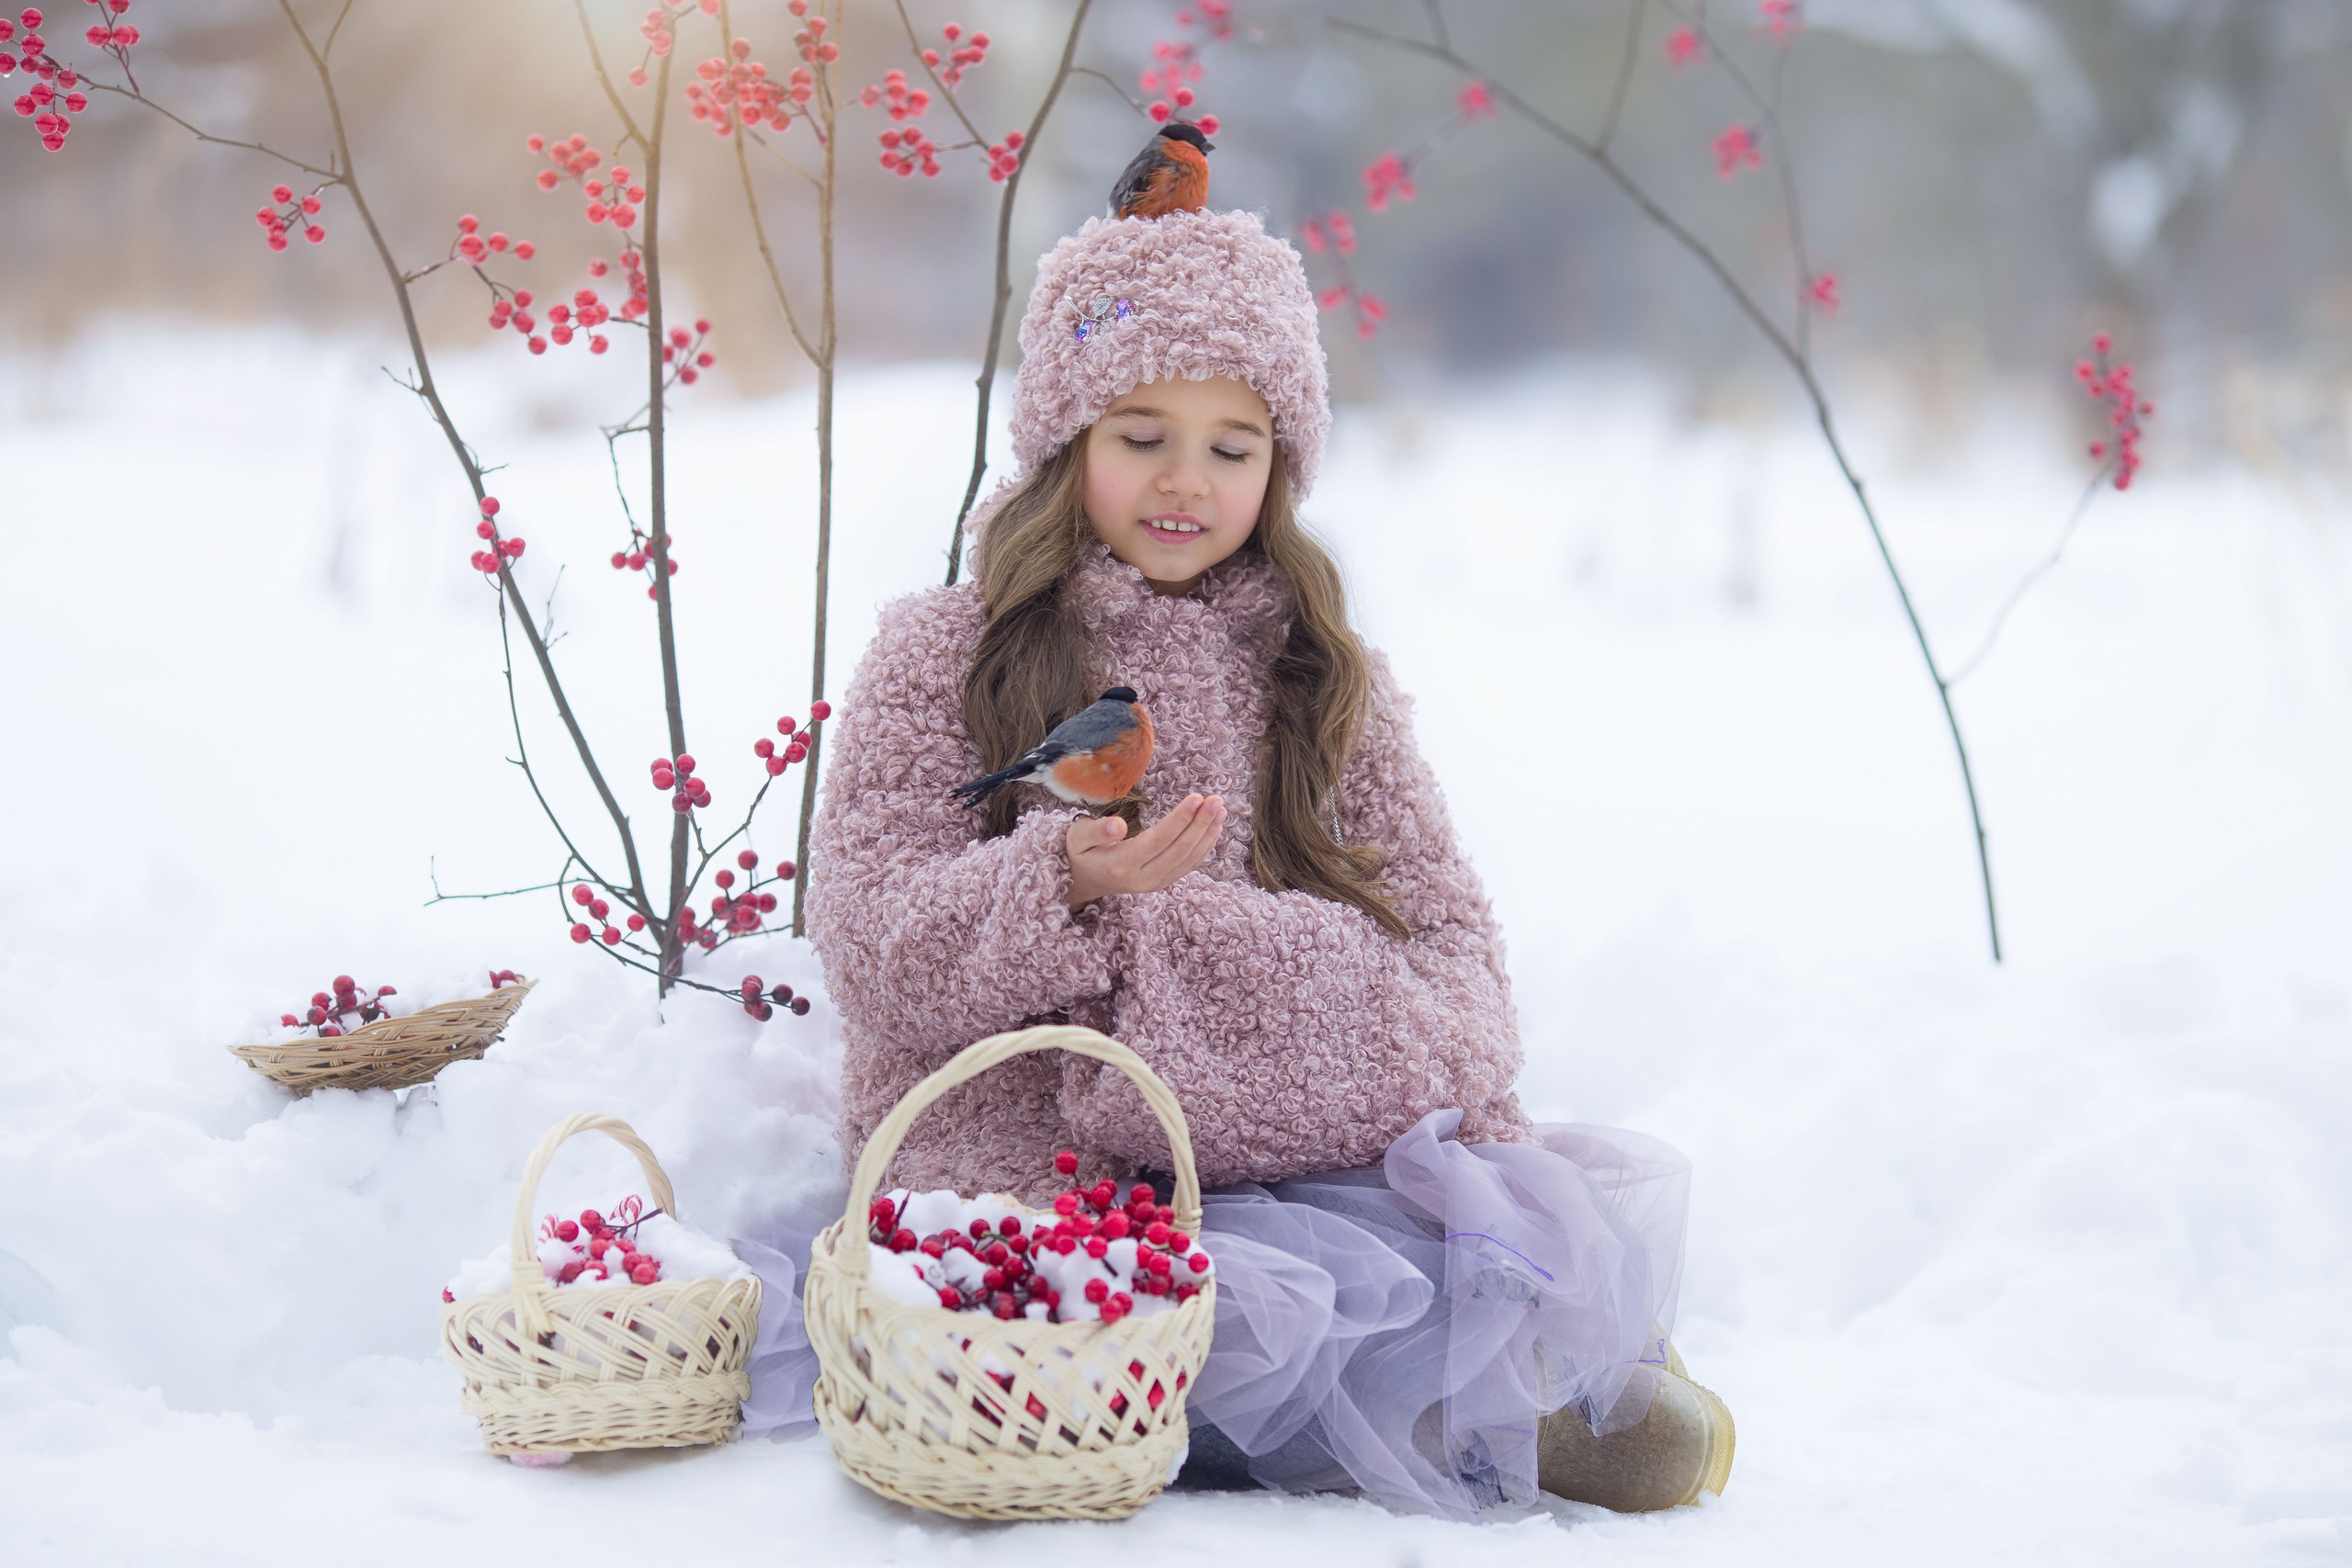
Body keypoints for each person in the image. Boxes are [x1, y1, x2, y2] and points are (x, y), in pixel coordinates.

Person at [746, 207, 1732, 1518]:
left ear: (1282, 466)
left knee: (1387, 1264)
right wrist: (1067, 889)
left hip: (1288, 1140)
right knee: (1144, 1313)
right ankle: (1412, 1408)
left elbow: (1450, 949)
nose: (1185, 482)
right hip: (1042, 1155)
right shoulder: (947, 655)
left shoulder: (1321, 678)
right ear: (1065, 443)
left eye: (1232, 447)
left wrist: (1359, 1039)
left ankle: (1501, 1374)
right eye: (1139, 437)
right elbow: (874, 932)